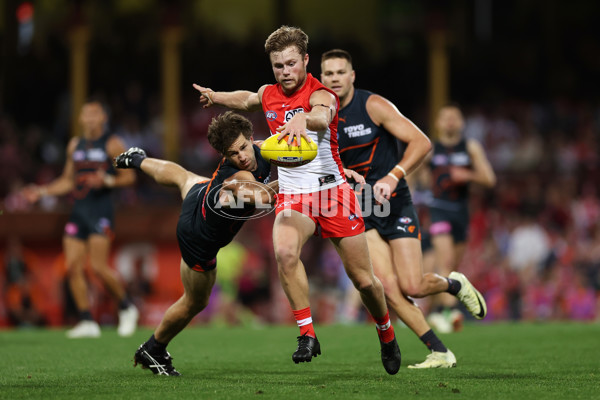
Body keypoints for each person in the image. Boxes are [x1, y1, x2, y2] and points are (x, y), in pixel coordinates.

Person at [193, 26, 401, 375]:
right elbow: (248, 99)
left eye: (291, 63)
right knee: (286, 251)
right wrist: (216, 96)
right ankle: (307, 333)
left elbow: (322, 114)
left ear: (305, 60)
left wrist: (305, 117)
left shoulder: (323, 95)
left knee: (364, 281)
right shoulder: (270, 93)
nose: (285, 71)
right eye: (278, 66)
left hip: (333, 193)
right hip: (294, 194)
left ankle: (386, 332)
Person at [320, 49, 488, 368]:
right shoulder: (320, 116)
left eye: (340, 72)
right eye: (328, 74)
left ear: (352, 76)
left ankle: (454, 284)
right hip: (361, 212)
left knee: (413, 285)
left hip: (395, 204)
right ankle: (440, 352)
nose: (335, 79)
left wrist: (393, 176)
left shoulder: (373, 106)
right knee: (389, 290)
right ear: (321, 78)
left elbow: (422, 141)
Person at [122, 111, 277, 376]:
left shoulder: (263, 148)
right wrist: (306, 183)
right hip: (197, 238)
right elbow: (264, 197)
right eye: (232, 154)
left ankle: (137, 159)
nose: (241, 157)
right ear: (223, 156)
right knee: (195, 302)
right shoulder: (236, 178)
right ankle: (153, 348)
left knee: (184, 177)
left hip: (201, 195)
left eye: (243, 147)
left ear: (252, 138)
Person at [21, 99, 139, 338]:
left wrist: (106, 180)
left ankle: (127, 307)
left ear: (103, 118)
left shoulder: (112, 143)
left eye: (95, 114)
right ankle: (87, 321)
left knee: (98, 267)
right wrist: (41, 191)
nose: (90, 118)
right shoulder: (75, 145)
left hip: (101, 210)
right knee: (73, 266)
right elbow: (67, 180)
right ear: (80, 118)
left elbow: (129, 178)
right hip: (79, 211)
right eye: (86, 114)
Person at [425, 104, 496, 332]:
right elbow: (413, 173)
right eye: (445, 117)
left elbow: (489, 179)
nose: (450, 121)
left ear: (462, 122)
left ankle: (435, 312)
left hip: (461, 211)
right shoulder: (430, 148)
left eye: (455, 117)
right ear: (437, 123)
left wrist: (468, 174)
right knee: (444, 262)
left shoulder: (470, 147)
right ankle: (451, 312)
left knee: (452, 267)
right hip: (438, 209)